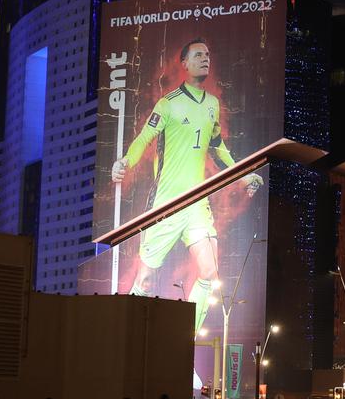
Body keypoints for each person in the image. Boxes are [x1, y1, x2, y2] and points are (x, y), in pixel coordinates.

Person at [111, 38, 264, 336]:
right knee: (143, 279)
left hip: (196, 205)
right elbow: (144, 139)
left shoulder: (212, 105)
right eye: (198, 54)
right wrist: (125, 162)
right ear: (184, 63)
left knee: (209, 273)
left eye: (207, 54)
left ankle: (183, 344)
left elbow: (218, 149)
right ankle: (124, 338)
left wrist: (245, 176)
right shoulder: (168, 103)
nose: (205, 58)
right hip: (166, 204)